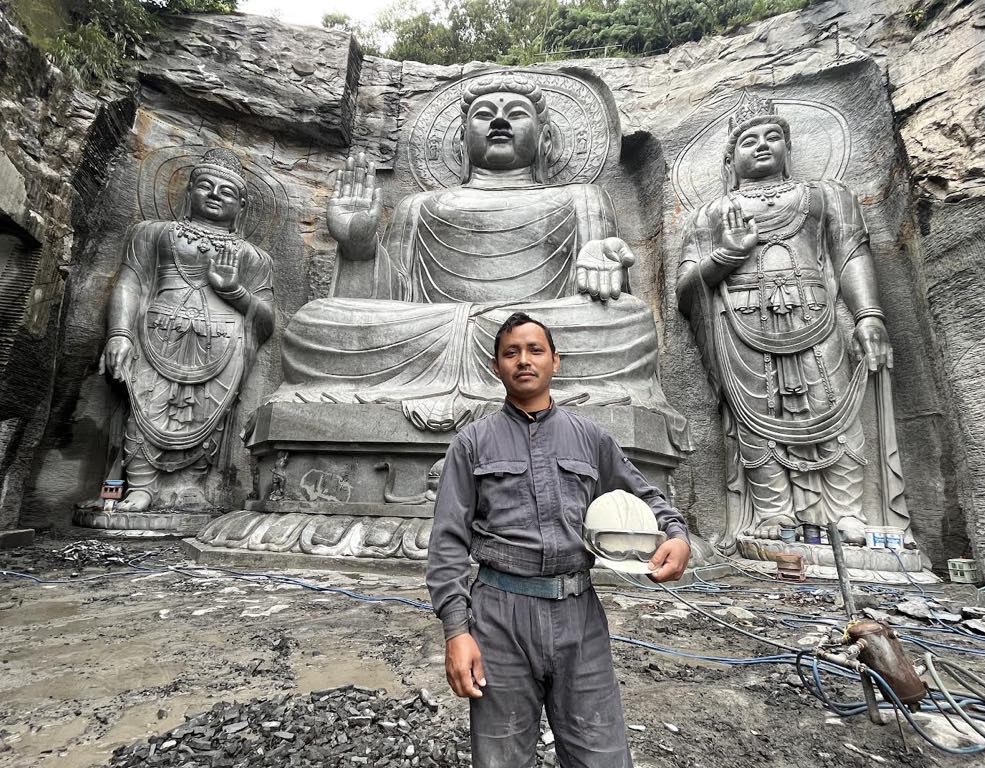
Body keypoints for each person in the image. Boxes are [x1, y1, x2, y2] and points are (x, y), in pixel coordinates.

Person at [274, 73, 688, 451]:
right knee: (314, 323)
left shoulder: (582, 197)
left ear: (546, 141)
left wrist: (600, 258)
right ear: (460, 142)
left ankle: (496, 361)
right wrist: (360, 247)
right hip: (427, 334)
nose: (500, 122)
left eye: (516, 114)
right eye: (485, 115)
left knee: (629, 321)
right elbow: (394, 301)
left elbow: (607, 298)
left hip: (540, 333)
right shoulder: (420, 206)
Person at [426, 312, 691, 768]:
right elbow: (447, 542)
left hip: (579, 616)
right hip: (499, 619)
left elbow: (644, 494)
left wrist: (677, 534)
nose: (523, 360)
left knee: (601, 756)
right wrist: (456, 631)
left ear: (555, 361)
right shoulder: (472, 443)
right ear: (496, 367)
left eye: (535, 350)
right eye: (511, 352)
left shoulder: (590, 439)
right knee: (500, 758)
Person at [676, 93, 908, 549]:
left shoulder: (827, 196)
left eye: (772, 137)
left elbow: (850, 255)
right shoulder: (710, 214)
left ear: (788, 145)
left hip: (815, 312)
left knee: (834, 407)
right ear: (730, 158)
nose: (761, 146)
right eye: (748, 141)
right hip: (740, 320)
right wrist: (725, 255)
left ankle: (848, 514)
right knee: (755, 416)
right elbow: (686, 288)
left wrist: (868, 315)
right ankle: (772, 514)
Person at [99, 148, 275, 512]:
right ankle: (140, 487)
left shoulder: (253, 256)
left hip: (223, 344)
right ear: (189, 191)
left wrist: (234, 292)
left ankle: (190, 485)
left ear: (241, 205)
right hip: (156, 333)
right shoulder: (153, 233)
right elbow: (130, 284)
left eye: (226, 192)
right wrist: (119, 333)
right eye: (205, 186)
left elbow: (268, 318)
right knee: (144, 404)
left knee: (207, 413)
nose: (214, 195)